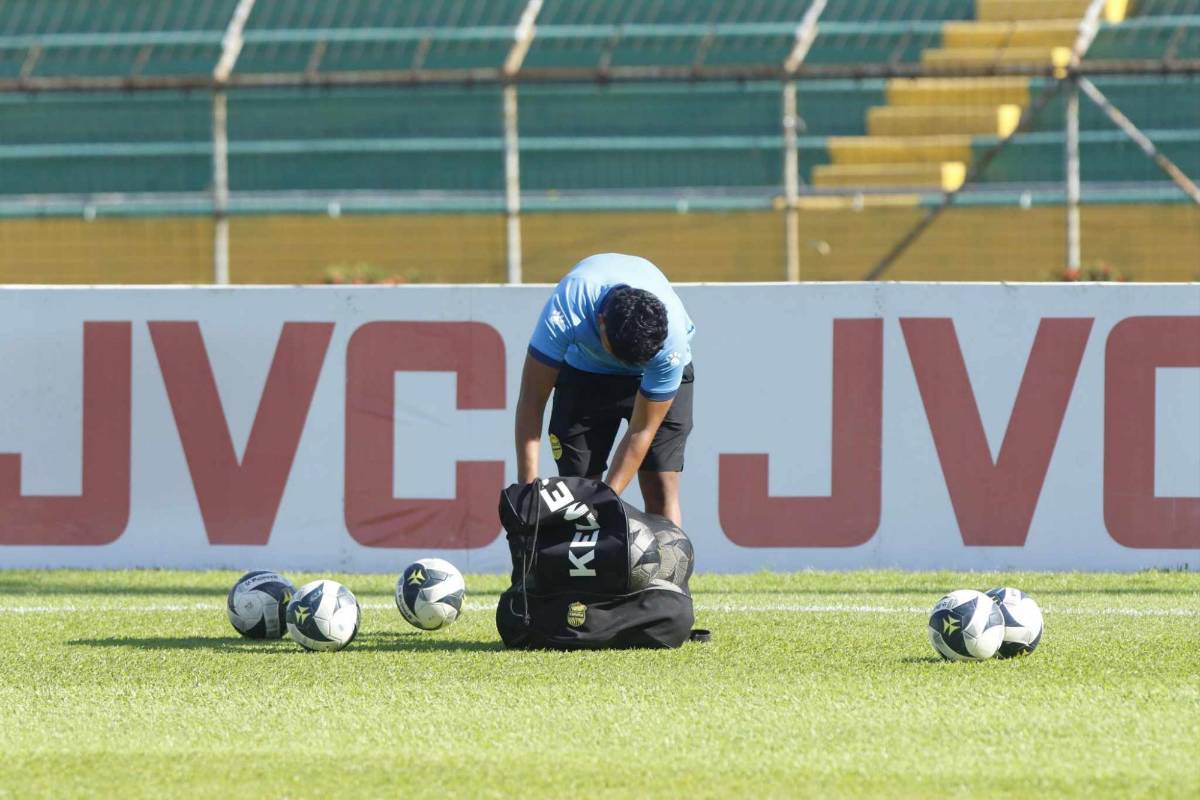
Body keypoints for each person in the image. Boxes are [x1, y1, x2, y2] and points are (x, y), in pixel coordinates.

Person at [514, 253, 695, 526]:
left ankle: (668, 554)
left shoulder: (670, 343)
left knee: (660, 484)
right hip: (585, 372)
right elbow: (532, 400)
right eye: (621, 357)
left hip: (654, 374)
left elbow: (641, 430)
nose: (626, 368)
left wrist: (606, 501)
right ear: (600, 322)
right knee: (577, 493)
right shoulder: (568, 307)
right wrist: (527, 489)